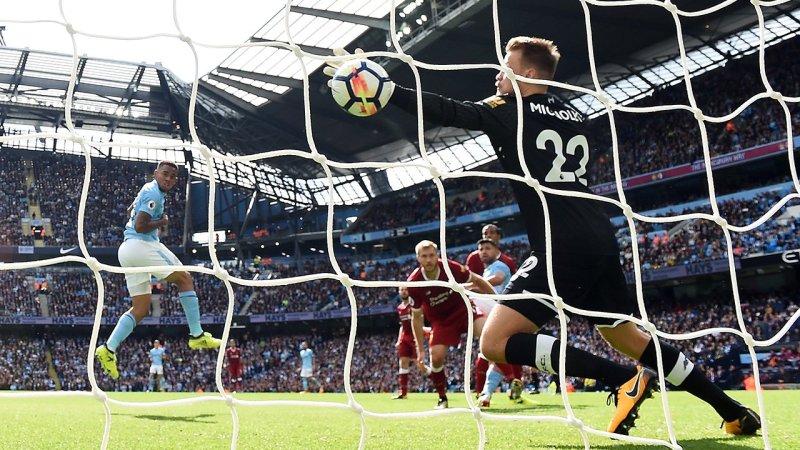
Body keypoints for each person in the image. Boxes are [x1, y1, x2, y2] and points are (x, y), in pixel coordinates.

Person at [326, 38, 760, 435]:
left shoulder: (506, 108)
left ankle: (622, 380)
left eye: (505, 67)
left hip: (560, 241)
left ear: (528, 75)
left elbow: (448, 110)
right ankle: (732, 411)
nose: (497, 76)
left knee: (494, 343)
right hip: (598, 234)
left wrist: (380, 86)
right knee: (626, 336)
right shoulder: (576, 115)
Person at [95, 160, 222, 380]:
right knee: (184, 278)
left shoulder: (147, 189)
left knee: (141, 307)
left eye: (173, 177)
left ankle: (108, 349)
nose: (169, 180)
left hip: (126, 251)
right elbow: (140, 226)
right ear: (156, 174)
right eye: (165, 174)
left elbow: (130, 211)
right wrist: (161, 221)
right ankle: (197, 334)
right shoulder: (154, 194)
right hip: (142, 245)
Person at [407, 240, 496, 409]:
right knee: (437, 356)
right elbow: (416, 318)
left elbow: (477, 279)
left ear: (437, 255)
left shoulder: (450, 267)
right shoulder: (414, 283)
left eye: (432, 255)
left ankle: (490, 388)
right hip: (441, 322)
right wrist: (420, 349)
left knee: (490, 334)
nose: (429, 260)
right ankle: (442, 398)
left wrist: (498, 300)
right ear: (418, 258)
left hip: (463, 310)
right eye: (424, 256)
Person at [473, 238, 523, 407]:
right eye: (481, 249)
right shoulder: (485, 271)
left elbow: (500, 278)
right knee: (489, 353)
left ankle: (511, 380)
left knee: (470, 298)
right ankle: (485, 394)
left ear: (497, 251)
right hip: (495, 313)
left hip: (502, 310)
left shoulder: (499, 266)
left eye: (488, 248)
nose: (484, 251)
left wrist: (471, 286)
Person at [393, 286, 431, 399]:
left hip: (414, 338)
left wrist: (425, 331)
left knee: (420, 366)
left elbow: (420, 321)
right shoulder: (399, 308)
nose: (404, 291)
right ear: (399, 292)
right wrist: (398, 340)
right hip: (404, 338)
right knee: (403, 362)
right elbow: (402, 326)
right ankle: (403, 393)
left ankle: (438, 380)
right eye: (402, 290)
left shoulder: (414, 306)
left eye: (406, 289)